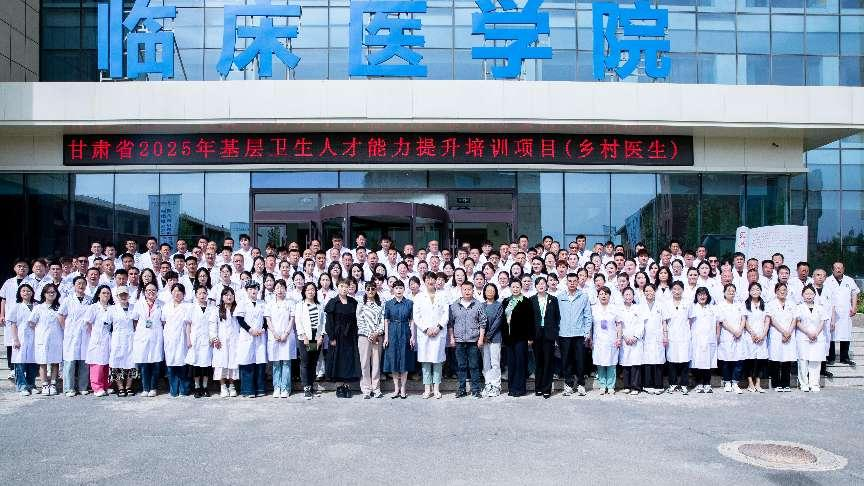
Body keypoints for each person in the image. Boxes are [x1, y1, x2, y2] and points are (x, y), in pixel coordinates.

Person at [448, 281, 488, 399]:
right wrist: (452, 338)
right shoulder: (454, 305)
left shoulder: (478, 305)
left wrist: (481, 339)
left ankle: (476, 390)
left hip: (473, 341)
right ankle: (461, 389)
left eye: (469, 289)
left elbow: (483, 323)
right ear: (461, 291)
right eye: (464, 289)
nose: (467, 291)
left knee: (474, 366)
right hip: (459, 341)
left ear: (473, 290)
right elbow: (450, 324)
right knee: (461, 366)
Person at [413, 272, 449, 399]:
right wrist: (426, 329)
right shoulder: (419, 296)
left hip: (439, 332)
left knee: (438, 361)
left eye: (433, 279)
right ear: (424, 281)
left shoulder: (442, 295)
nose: (430, 281)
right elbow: (416, 316)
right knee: (426, 361)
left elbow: (446, 314)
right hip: (425, 334)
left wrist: (438, 327)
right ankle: (427, 389)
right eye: (428, 279)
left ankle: (437, 388)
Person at [324, 279, 360, 399]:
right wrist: (332, 337)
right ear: (337, 287)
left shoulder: (353, 302)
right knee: (337, 361)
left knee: (349, 361)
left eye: (346, 286)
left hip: (350, 336)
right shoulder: (333, 302)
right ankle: (339, 387)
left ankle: (347, 386)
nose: (344, 289)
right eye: (341, 286)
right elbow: (329, 322)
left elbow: (356, 320)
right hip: (337, 336)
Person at [131, 282, 165, 397]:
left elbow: (163, 321)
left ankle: (153, 388)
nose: (151, 292)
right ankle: (145, 388)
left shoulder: (161, 304)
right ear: (144, 292)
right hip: (142, 336)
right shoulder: (139, 304)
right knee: (144, 363)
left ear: (157, 292)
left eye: (153, 290)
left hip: (156, 336)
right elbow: (135, 320)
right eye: (148, 290)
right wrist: (141, 331)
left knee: (155, 363)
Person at [502, 279, 535, 397]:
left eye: (517, 287)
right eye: (513, 287)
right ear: (510, 288)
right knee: (511, 363)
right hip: (509, 338)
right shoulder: (506, 301)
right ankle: (511, 388)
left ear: (521, 288)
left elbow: (530, 320)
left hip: (521, 337)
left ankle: (520, 389)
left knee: (520, 363)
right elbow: (503, 320)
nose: (515, 289)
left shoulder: (526, 301)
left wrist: (530, 337)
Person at [235, 281, 268, 398]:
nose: (253, 291)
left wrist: (263, 329)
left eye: (255, 288)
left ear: (258, 290)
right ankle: (248, 390)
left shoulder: (262, 303)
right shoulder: (242, 303)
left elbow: (266, 319)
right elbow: (240, 319)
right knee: (247, 362)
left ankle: (260, 389)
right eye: (250, 289)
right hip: (247, 335)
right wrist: (250, 330)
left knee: (260, 362)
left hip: (260, 336)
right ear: (246, 291)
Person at [58, 276, 91, 396]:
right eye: (78, 283)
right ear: (74, 285)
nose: (81, 286)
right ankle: (69, 388)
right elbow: (61, 315)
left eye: (83, 283)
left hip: (85, 334)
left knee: (84, 361)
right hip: (71, 334)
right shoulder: (68, 299)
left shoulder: (90, 300)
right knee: (70, 362)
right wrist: (66, 329)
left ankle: (83, 386)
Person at [29, 284, 63, 396]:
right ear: (44, 294)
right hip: (42, 339)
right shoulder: (38, 307)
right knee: (43, 362)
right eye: (49, 292)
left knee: (55, 362)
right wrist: (40, 331)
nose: (51, 294)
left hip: (56, 338)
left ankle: (53, 384)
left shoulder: (60, 307)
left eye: (53, 292)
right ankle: (44, 384)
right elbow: (31, 323)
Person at [824, 262, 860, 366]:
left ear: (843, 269)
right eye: (836, 268)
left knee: (846, 334)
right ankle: (830, 357)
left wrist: (854, 307)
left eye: (840, 268)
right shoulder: (827, 281)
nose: (838, 270)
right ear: (832, 270)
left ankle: (845, 357)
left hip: (845, 312)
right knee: (831, 334)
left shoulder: (849, 280)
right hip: (831, 312)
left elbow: (854, 293)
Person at [794, 285, 829, 392]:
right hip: (803, 336)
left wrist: (816, 333)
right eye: (806, 293)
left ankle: (814, 384)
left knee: (816, 360)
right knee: (803, 360)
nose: (809, 296)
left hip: (818, 337)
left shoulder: (820, 307)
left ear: (814, 295)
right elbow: (797, 322)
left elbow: (822, 321)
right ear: (802, 295)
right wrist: (808, 333)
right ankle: (804, 383)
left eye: (811, 294)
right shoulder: (799, 307)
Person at [265, 279, 296, 398]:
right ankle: (276, 387)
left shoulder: (290, 303)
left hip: (287, 336)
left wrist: (286, 334)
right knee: (276, 362)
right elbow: (268, 320)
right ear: (274, 290)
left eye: (282, 287)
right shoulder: (269, 303)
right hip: (274, 336)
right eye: (277, 287)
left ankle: (285, 388)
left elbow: (292, 319)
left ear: (285, 289)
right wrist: (274, 333)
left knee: (286, 362)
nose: (280, 290)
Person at [529, 277, 558, 398]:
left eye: (543, 283)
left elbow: (557, 318)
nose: (541, 285)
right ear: (535, 286)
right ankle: (538, 387)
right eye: (538, 284)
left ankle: (547, 389)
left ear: (546, 285)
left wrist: (555, 335)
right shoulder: (531, 300)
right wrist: (529, 337)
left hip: (549, 335)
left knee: (548, 362)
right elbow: (529, 320)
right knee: (539, 362)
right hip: (536, 335)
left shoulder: (553, 299)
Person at [294, 282, 323, 399]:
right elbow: (298, 321)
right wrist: (304, 336)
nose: (311, 292)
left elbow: (323, 322)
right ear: (304, 292)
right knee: (305, 362)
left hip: (316, 336)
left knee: (313, 362)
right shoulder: (300, 305)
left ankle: (311, 386)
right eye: (308, 290)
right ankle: (306, 387)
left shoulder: (319, 305)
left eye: (313, 289)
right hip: (305, 337)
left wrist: (321, 336)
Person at [766, 282, 797, 392]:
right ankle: (776, 384)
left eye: (784, 290)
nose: (782, 292)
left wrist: (788, 332)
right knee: (776, 359)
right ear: (776, 292)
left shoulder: (792, 304)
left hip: (789, 333)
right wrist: (783, 331)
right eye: (780, 290)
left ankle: (786, 384)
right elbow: (772, 320)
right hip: (776, 333)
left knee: (787, 359)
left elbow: (795, 319)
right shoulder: (771, 304)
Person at [356, 281, 385, 399]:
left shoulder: (381, 304)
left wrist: (377, 332)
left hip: (377, 336)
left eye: (373, 289)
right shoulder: (361, 303)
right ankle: (366, 389)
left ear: (376, 290)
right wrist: (369, 334)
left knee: (376, 363)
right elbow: (360, 320)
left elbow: (383, 320)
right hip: (364, 336)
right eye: (368, 289)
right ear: (365, 290)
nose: (370, 291)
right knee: (364, 363)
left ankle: (376, 388)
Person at [84, 285, 114, 397]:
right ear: (98, 295)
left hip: (109, 338)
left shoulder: (112, 308)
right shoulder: (93, 307)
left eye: (108, 293)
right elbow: (87, 323)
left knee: (107, 363)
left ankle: (106, 385)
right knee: (97, 364)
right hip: (97, 338)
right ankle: (97, 387)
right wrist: (94, 335)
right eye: (103, 293)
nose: (106, 295)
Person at [8, 283, 38, 396]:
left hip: (35, 338)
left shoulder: (37, 306)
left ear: (32, 293)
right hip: (21, 337)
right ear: (20, 293)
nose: (26, 293)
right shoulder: (16, 307)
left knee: (32, 363)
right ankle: (22, 386)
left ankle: (31, 385)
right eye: (23, 291)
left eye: (28, 291)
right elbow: (13, 324)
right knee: (19, 363)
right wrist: (15, 339)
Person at [591, 286, 621, 395]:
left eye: (606, 294)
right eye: (601, 294)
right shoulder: (593, 308)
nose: (603, 296)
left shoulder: (614, 308)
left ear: (609, 296)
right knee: (600, 363)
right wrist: (590, 339)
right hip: (598, 340)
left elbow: (619, 324)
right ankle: (602, 385)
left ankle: (611, 386)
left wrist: (619, 338)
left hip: (611, 339)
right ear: (598, 296)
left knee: (611, 363)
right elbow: (590, 325)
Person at [210, 287, 240, 398]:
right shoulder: (217, 310)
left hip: (234, 341)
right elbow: (212, 325)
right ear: (222, 297)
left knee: (233, 363)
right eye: (226, 295)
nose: (229, 297)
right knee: (220, 363)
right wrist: (215, 338)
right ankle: (223, 387)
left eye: (231, 294)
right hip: (221, 342)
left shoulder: (237, 309)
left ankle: (232, 386)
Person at [717, 283, 746, 394]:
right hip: (727, 334)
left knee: (738, 360)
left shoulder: (740, 304)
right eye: (728, 290)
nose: (731, 292)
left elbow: (743, 319)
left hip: (739, 335)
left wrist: (739, 331)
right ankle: (727, 382)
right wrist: (734, 331)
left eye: (733, 290)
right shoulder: (720, 305)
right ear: (724, 293)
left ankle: (735, 383)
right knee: (726, 361)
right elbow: (722, 321)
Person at [107, 286, 136, 396]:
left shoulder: (134, 307)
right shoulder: (112, 309)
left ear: (129, 295)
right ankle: (120, 387)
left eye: (125, 294)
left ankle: (128, 386)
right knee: (116, 362)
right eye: (121, 295)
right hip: (117, 338)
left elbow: (136, 323)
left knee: (132, 362)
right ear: (117, 296)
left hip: (131, 337)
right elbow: (106, 323)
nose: (123, 296)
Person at [186, 286, 214, 398]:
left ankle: (205, 387)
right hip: (195, 339)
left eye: (204, 293)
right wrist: (188, 339)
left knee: (206, 365)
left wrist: (213, 338)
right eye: (200, 293)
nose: (202, 295)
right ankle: (197, 387)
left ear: (207, 294)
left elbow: (213, 325)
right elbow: (188, 325)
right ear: (196, 295)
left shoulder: (211, 308)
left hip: (207, 339)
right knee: (196, 364)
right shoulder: (192, 308)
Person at [665, 281, 691, 394]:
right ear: (671, 290)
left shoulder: (688, 303)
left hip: (684, 335)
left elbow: (690, 319)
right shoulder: (667, 303)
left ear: (683, 290)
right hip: (671, 335)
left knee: (685, 360)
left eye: (679, 289)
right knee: (672, 361)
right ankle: (673, 383)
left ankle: (684, 384)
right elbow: (665, 321)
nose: (676, 291)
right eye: (674, 289)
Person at [690, 287, 718, 393]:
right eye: (700, 294)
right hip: (696, 339)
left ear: (707, 296)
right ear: (696, 296)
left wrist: (717, 336)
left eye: (704, 294)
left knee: (708, 362)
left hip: (710, 339)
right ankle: (699, 383)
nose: (702, 296)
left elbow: (718, 323)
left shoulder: (712, 308)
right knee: (696, 361)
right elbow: (689, 323)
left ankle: (707, 384)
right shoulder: (693, 308)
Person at [639, 284, 667, 395]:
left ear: (655, 291)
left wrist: (665, 335)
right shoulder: (641, 306)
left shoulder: (661, 305)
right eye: (646, 291)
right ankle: (648, 385)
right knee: (647, 361)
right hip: (645, 337)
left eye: (651, 291)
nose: (649, 293)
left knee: (658, 361)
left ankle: (658, 385)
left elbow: (664, 321)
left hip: (658, 337)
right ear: (644, 293)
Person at [743, 282, 769, 393]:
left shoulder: (765, 304)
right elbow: (744, 321)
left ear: (761, 291)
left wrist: (763, 335)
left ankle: (758, 383)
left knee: (760, 360)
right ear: (749, 291)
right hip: (749, 335)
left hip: (762, 335)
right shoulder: (745, 304)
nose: (755, 291)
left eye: (757, 289)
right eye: (753, 289)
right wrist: (752, 333)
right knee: (749, 359)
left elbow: (767, 321)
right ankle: (750, 383)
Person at [618, 287, 644, 395]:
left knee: (635, 363)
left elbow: (641, 324)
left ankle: (635, 387)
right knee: (626, 363)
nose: (628, 296)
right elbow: (619, 325)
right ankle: (626, 386)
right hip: (625, 339)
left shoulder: (638, 308)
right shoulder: (619, 309)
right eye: (626, 294)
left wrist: (635, 337)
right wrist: (624, 336)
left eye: (630, 294)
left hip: (636, 340)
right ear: (623, 296)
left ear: (633, 296)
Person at [480, 283, 504, 398]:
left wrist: (488, 336)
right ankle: (488, 384)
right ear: (484, 292)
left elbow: (498, 322)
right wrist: (483, 336)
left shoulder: (499, 305)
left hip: (495, 338)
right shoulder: (481, 306)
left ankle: (496, 385)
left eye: (492, 290)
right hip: (483, 338)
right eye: (488, 290)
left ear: (495, 292)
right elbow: (479, 321)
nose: (490, 292)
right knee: (486, 363)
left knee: (495, 362)